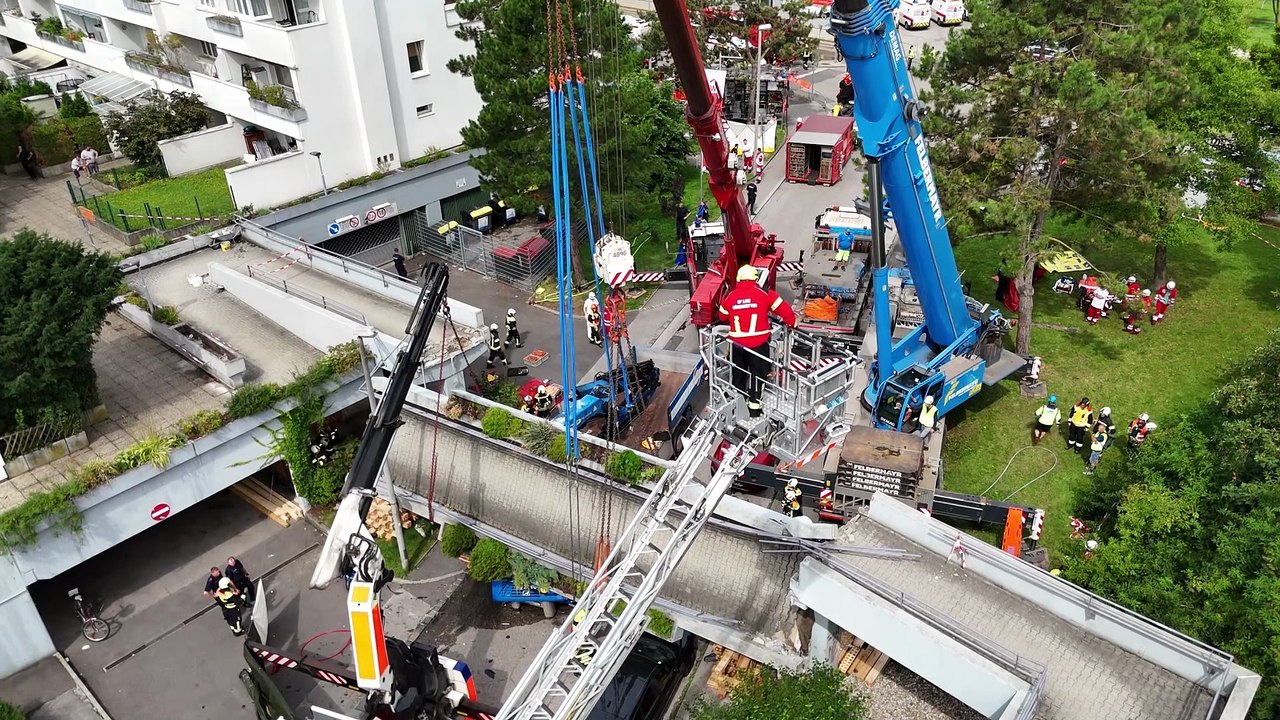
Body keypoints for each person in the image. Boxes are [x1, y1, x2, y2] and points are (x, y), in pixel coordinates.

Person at [717, 264, 797, 417]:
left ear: (738, 279)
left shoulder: (730, 296)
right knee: (758, 376)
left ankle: (737, 406)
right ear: (756, 278)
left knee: (738, 375)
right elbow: (786, 311)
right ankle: (754, 409)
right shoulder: (766, 294)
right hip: (758, 346)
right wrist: (791, 323)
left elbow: (722, 316)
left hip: (737, 346)